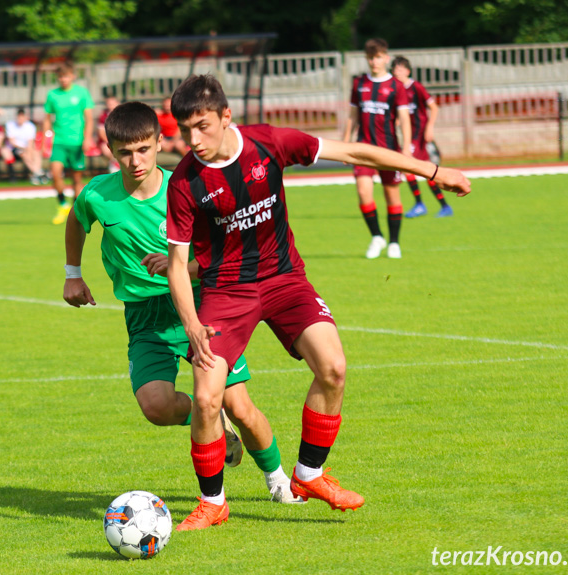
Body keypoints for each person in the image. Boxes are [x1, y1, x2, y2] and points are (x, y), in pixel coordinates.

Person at [165, 74, 470, 531]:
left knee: (333, 367)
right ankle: (213, 503)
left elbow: (355, 151)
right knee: (208, 398)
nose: (194, 140)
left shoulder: (269, 143)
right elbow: (176, 265)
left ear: (226, 116)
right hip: (227, 292)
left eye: (202, 126)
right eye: (185, 130)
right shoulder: (186, 182)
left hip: (285, 279)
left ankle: (309, 475)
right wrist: (191, 323)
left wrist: (431, 170)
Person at [63, 101, 304, 504]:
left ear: (160, 143)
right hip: (144, 317)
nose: (135, 160)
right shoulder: (97, 195)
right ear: (110, 150)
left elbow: (225, 251)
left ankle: (279, 480)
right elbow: (76, 221)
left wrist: (185, 268)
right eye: (124, 152)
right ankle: (209, 418)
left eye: (143, 149)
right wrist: (73, 274)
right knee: (155, 406)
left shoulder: (189, 187)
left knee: (240, 405)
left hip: (199, 306)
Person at [343, 38, 412, 259]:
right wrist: (345, 144)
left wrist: (407, 149)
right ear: (367, 59)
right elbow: (352, 116)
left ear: (386, 58)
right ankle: (376, 237)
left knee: (392, 196)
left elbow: (404, 118)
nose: (375, 61)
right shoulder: (359, 84)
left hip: (389, 150)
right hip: (362, 148)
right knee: (363, 193)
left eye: (379, 57)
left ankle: (394, 242)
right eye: (371, 57)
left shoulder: (396, 86)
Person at [391, 56, 453, 218]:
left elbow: (434, 107)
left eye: (400, 69)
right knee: (427, 171)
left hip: (418, 135)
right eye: (394, 69)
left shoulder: (416, 87)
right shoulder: (397, 89)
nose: (397, 72)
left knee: (407, 167)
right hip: (409, 135)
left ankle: (420, 204)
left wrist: (430, 127)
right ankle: (443, 206)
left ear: (407, 71)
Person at [43, 62, 94, 225]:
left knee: (76, 180)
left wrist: (87, 138)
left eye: (66, 76)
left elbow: (89, 118)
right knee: (55, 172)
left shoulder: (82, 93)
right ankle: (62, 204)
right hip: (59, 141)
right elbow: (47, 118)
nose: (63, 79)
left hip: (77, 142)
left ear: (72, 76)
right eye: (60, 77)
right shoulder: (53, 95)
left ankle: (75, 211)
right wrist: (47, 137)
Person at [6, 107, 48, 185]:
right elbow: (12, 142)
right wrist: (25, 149)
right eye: (19, 118)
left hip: (27, 148)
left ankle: (36, 174)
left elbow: (30, 142)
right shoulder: (11, 125)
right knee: (24, 155)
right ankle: (39, 173)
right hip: (15, 149)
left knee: (36, 152)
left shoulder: (30, 126)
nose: (20, 120)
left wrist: (29, 149)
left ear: (25, 117)